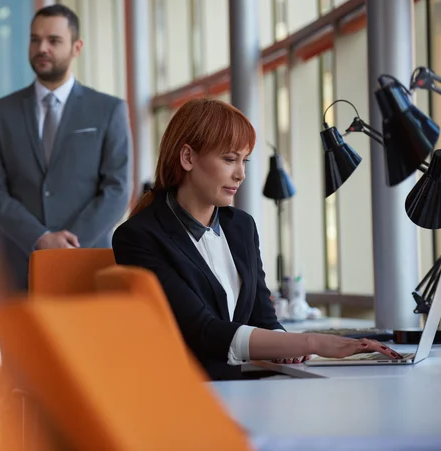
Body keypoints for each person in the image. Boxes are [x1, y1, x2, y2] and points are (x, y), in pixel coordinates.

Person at [112, 98, 400, 381]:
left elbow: (264, 319)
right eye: (229, 159)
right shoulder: (139, 236)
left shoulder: (241, 227)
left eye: (244, 160)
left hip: (238, 392)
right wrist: (311, 342)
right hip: (184, 396)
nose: (241, 174)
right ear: (188, 157)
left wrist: (286, 347)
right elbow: (203, 331)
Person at [0, 4, 132, 296]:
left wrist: (71, 243)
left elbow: (118, 188)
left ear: (76, 47)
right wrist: (40, 237)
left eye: (53, 40)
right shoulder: (0, 113)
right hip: (18, 273)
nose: (41, 48)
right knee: (18, 345)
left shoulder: (108, 110)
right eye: (35, 39)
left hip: (88, 270)